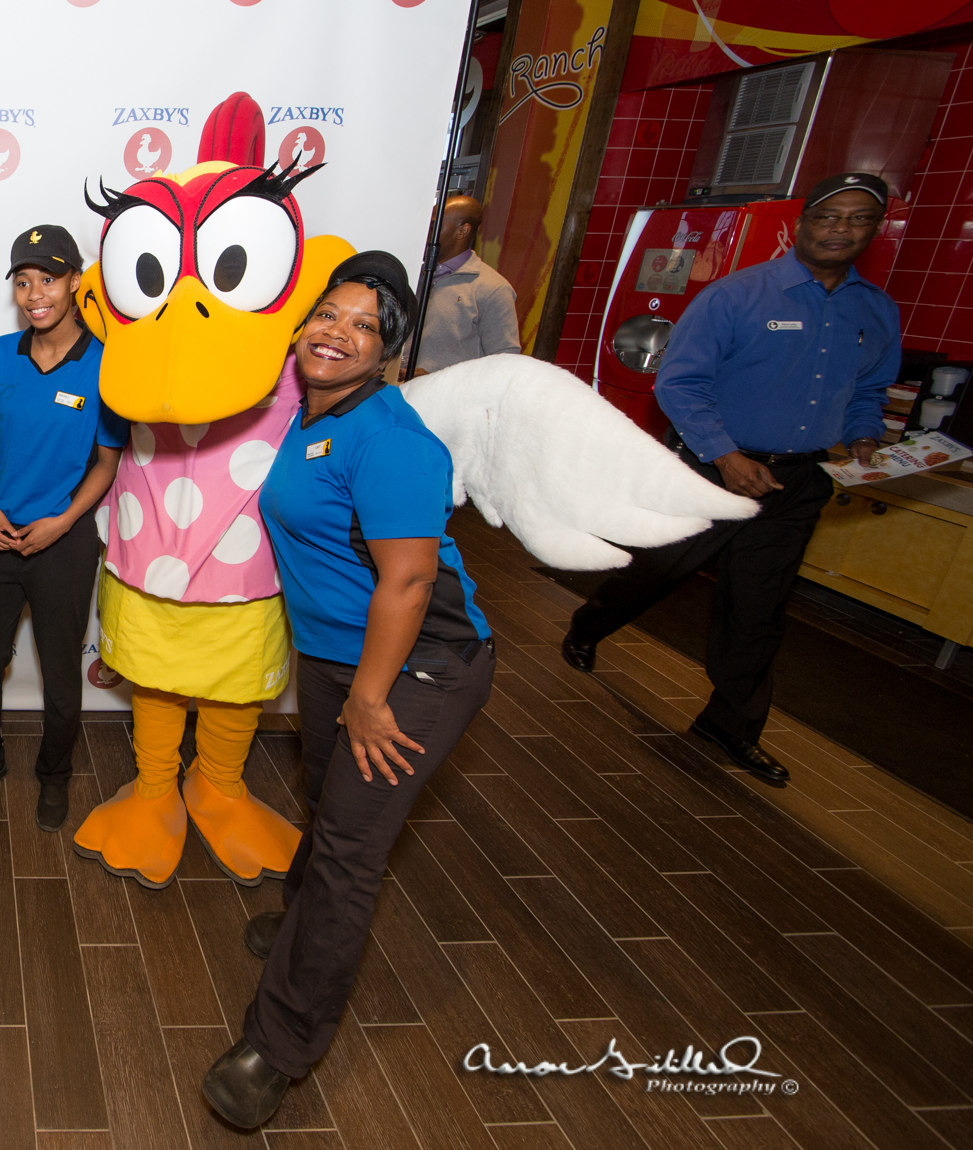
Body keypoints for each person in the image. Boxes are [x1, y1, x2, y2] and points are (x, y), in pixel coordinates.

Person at [202, 252, 497, 1127]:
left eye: (365, 325)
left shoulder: (391, 438)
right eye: (328, 313)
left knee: (348, 849)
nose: (338, 332)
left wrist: (371, 696)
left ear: (388, 352)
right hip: (341, 657)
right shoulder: (310, 411)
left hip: (419, 665)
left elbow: (408, 580)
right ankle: (301, 922)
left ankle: (279, 1045)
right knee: (326, 801)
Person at [559, 173, 900, 785]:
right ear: (802, 224)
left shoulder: (874, 310)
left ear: (874, 230)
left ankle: (730, 724)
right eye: (829, 216)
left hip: (795, 482)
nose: (841, 229)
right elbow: (679, 382)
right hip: (711, 468)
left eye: (858, 219)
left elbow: (868, 391)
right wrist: (725, 456)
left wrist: (866, 438)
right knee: (660, 569)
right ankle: (591, 623)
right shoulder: (738, 295)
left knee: (758, 608)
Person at [0, 225, 126, 830]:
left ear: (75, 281)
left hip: (64, 540)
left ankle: (55, 774)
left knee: (61, 670)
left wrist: (64, 522)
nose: (34, 294)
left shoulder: (104, 361)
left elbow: (107, 463)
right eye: (23, 282)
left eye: (48, 279)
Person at [411, 194, 519, 376]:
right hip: (401, 390)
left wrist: (439, 379)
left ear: (462, 231)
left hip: (449, 393)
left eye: (434, 227)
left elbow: (505, 363)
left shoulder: (493, 289)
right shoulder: (416, 276)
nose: (427, 233)